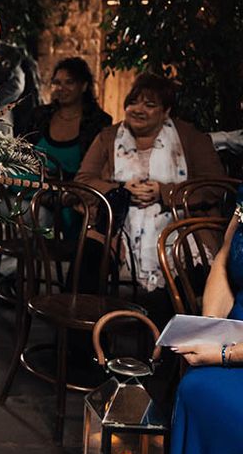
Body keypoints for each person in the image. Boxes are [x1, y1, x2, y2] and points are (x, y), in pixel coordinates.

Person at [76, 73, 224, 305]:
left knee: (188, 279)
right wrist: (122, 189)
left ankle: (168, 334)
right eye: (133, 102)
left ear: (166, 112)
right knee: (87, 264)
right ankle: (88, 336)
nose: (138, 109)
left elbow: (214, 186)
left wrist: (164, 192)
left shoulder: (191, 138)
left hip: (179, 226)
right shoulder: (109, 137)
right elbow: (83, 181)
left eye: (150, 104)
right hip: (118, 225)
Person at [162, 199, 243, 454]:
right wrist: (210, 327)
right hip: (234, 333)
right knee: (196, 388)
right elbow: (225, 258)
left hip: (235, 352)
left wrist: (224, 354)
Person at [27, 57, 112, 180]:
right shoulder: (39, 115)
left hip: (75, 192)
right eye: (57, 83)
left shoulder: (99, 122)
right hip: (30, 187)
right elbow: (20, 153)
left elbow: (97, 171)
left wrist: (60, 175)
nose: (61, 88)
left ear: (84, 86)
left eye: (69, 82)